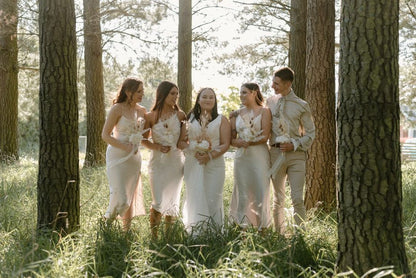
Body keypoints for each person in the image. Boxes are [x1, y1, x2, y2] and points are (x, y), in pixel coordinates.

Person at [267, 67, 315, 235]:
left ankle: (300, 235)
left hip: (296, 156)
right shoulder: (270, 102)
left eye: (276, 83)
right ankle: (279, 235)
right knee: (278, 199)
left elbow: (311, 132)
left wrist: (294, 144)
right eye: (273, 82)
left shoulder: (302, 105)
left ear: (288, 84)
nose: (273, 86)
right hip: (274, 154)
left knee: (297, 198)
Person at [178, 87, 231, 235]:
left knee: (213, 196)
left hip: (215, 164)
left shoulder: (222, 119)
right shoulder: (189, 119)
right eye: (204, 97)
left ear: (215, 101)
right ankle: (195, 232)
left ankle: (214, 233)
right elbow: (181, 142)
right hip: (193, 162)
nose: (208, 100)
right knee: (195, 196)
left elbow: (226, 144)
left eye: (211, 97)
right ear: (198, 100)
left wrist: (210, 155)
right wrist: (193, 149)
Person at [142, 81, 186, 239]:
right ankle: (154, 237)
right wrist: (157, 147)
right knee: (158, 200)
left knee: (172, 201)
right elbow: (143, 140)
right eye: (172, 94)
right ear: (163, 94)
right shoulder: (150, 116)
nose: (175, 97)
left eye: (177, 94)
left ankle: (169, 237)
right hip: (158, 163)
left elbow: (183, 140)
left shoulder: (181, 115)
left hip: (175, 162)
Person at [101, 77, 147, 231]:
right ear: (128, 92)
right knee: (120, 195)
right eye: (139, 91)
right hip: (117, 156)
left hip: (134, 159)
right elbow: (105, 135)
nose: (142, 94)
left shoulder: (142, 111)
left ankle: (125, 232)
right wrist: (124, 146)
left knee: (129, 196)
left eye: (143, 91)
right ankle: (106, 225)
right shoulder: (117, 109)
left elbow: (146, 135)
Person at [229, 83, 272, 232]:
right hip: (242, 157)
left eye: (244, 92)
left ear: (254, 93)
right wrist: (239, 142)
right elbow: (231, 139)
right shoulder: (235, 114)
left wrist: (251, 140)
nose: (241, 95)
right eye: (240, 93)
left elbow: (265, 135)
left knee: (261, 190)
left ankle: (263, 229)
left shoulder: (265, 111)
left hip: (259, 155)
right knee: (243, 192)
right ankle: (242, 229)